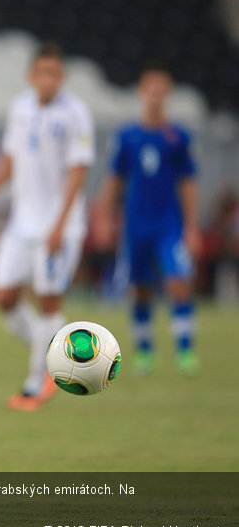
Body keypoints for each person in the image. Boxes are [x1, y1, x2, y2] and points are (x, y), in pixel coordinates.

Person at [0, 42, 95, 411]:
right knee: (4, 296)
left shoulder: (75, 114)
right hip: (22, 224)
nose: (49, 79)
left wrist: (60, 225)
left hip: (60, 227)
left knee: (48, 298)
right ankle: (58, 351)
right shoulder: (21, 108)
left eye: (55, 73)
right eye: (43, 72)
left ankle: (37, 382)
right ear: (31, 75)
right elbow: (10, 157)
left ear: (63, 77)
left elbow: (78, 172)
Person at [97, 62, 200, 377]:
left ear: (167, 93)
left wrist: (192, 227)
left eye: (161, 89)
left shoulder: (178, 136)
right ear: (142, 92)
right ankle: (145, 353)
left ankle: (185, 351)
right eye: (150, 88)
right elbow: (115, 178)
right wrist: (102, 215)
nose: (155, 94)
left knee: (178, 282)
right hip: (136, 225)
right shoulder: (128, 136)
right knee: (140, 289)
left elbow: (188, 182)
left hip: (169, 223)